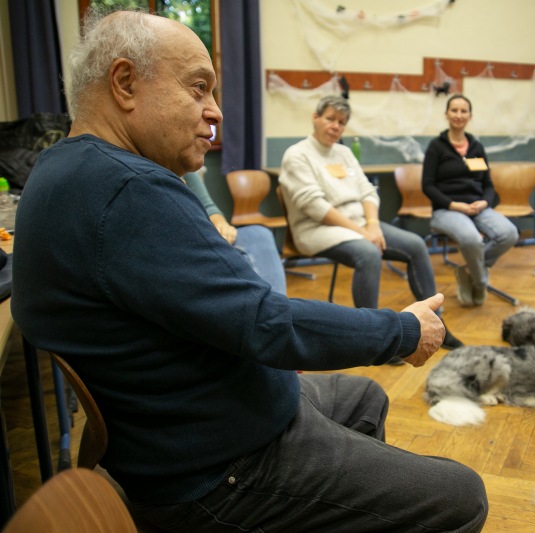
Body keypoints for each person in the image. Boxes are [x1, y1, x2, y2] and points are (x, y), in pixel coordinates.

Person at [11, 10, 488, 532]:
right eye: (198, 88)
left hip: (204, 414)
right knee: (464, 497)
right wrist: (401, 330)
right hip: (219, 469)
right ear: (125, 83)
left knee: (366, 397)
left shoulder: (61, 169)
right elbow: (265, 323)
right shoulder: (129, 190)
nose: (215, 111)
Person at [278, 94, 463, 350]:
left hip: (361, 225)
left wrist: (373, 225)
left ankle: (436, 323)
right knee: (369, 253)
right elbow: (315, 206)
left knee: (417, 245)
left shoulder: (343, 152)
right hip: (317, 229)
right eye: (330, 118)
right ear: (316, 118)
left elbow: (367, 190)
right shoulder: (297, 154)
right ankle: (374, 339)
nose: (335, 126)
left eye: (341, 122)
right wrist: (363, 233)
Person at [422, 94, 519, 306]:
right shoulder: (436, 147)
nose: (459, 115)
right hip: (447, 209)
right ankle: (480, 281)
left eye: (463, 111)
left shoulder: (477, 147)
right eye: (454, 110)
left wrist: (485, 202)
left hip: (478, 207)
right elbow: (427, 185)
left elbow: (489, 185)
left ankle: (467, 270)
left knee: (509, 234)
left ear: (470, 116)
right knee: (472, 239)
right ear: (446, 114)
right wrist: (453, 205)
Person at [184, 170, 287, 295]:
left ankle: (278, 306)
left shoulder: (185, 168)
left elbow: (208, 207)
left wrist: (221, 224)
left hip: (204, 234)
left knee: (259, 235)